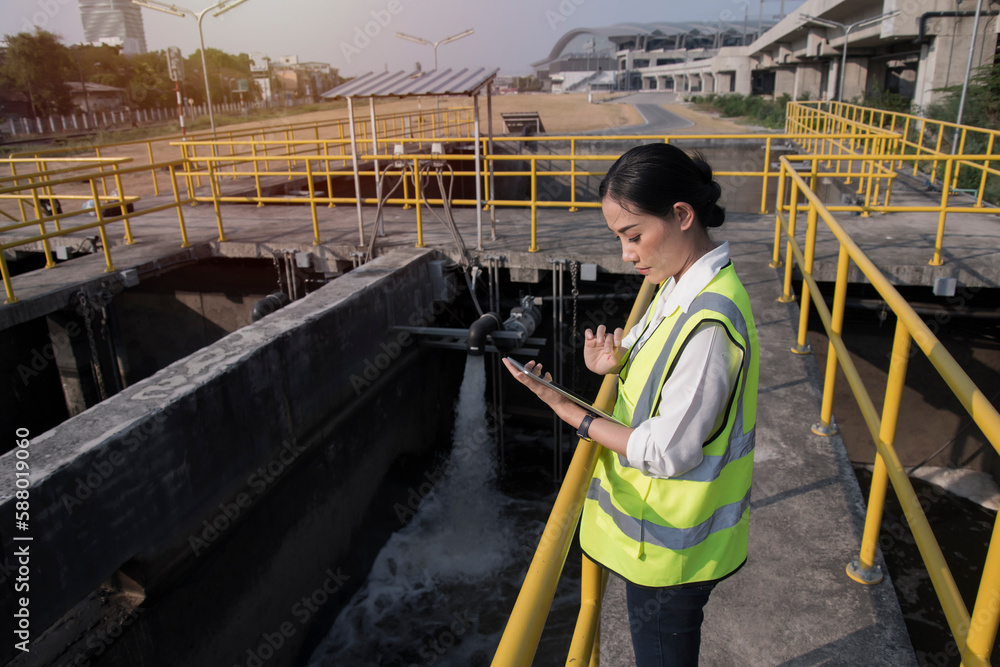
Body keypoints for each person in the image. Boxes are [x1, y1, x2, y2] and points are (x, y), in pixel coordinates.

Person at [503, 143, 759, 666]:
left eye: (633, 235)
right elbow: (662, 380)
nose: (626, 254)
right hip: (661, 543)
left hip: (672, 556)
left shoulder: (709, 322)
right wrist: (611, 366)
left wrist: (569, 409)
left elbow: (667, 451)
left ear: (682, 216)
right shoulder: (677, 285)